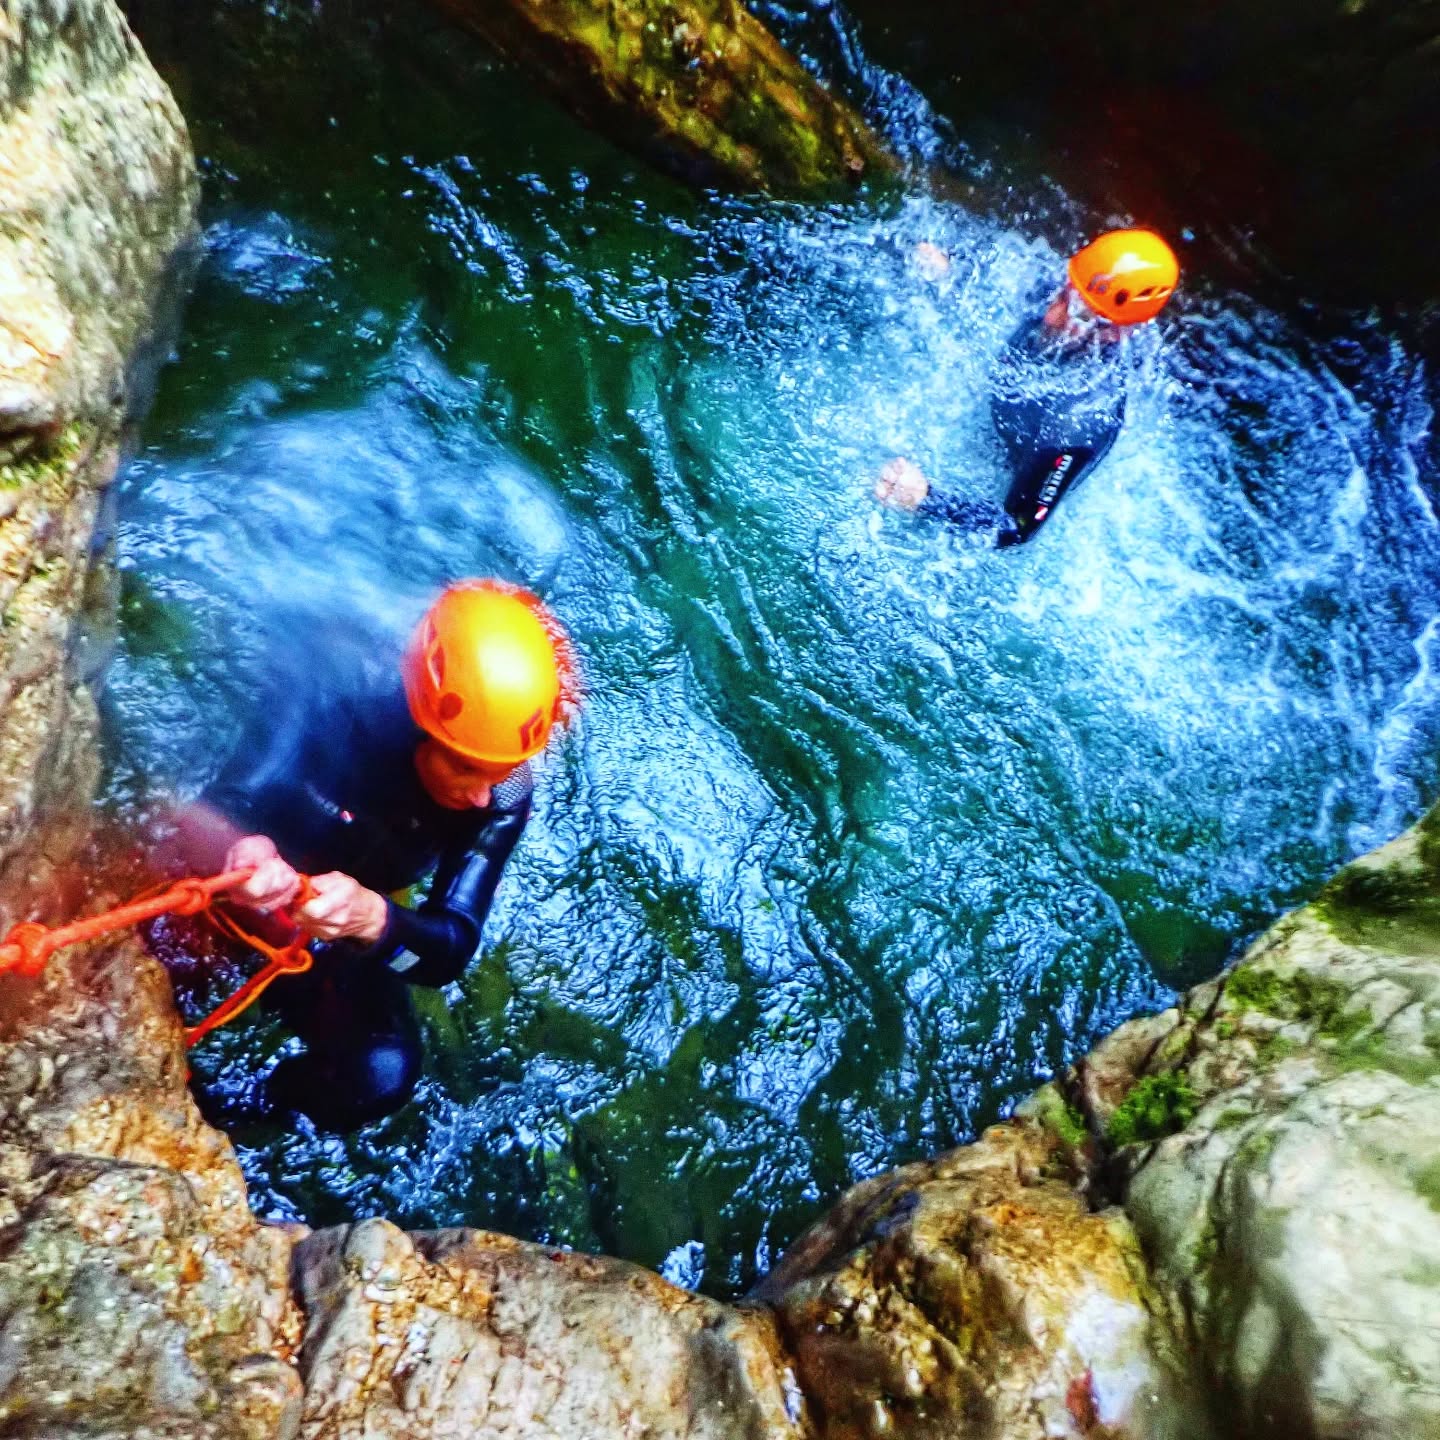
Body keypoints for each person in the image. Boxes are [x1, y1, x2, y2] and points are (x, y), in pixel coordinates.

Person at [177, 579, 577, 1131]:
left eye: (501, 769)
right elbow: (225, 801)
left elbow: (449, 949)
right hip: (241, 873)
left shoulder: (502, 795)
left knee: (380, 1075)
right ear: (421, 722)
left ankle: (226, 1115)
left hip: (331, 915)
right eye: (465, 767)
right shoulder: (333, 692)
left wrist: (374, 920)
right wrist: (243, 850)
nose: (482, 795)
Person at [875, 228, 1180, 545]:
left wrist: (927, 501)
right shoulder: (1060, 289)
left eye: (1075, 312)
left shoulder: (1080, 425)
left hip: (1027, 466)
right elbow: (996, 258)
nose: (1051, 315)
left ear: (1115, 334)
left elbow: (1016, 528)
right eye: (1064, 293)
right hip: (1003, 426)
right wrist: (951, 264)